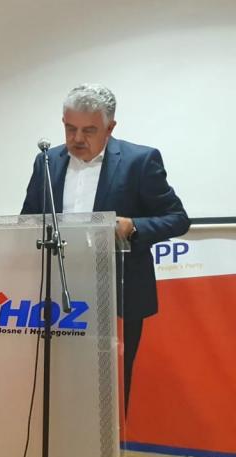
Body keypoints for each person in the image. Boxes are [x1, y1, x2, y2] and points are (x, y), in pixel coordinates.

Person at [21, 84, 190, 411]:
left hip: (118, 292)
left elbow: (177, 219)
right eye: (70, 128)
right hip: (58, 293)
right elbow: (27, 220)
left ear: (110, 127)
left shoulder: (139, 161)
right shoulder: (47, 162)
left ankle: (108, 442)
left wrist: (134, 226)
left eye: (89, 130)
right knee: (61, 385)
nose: (77, 138)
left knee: (109, 389)